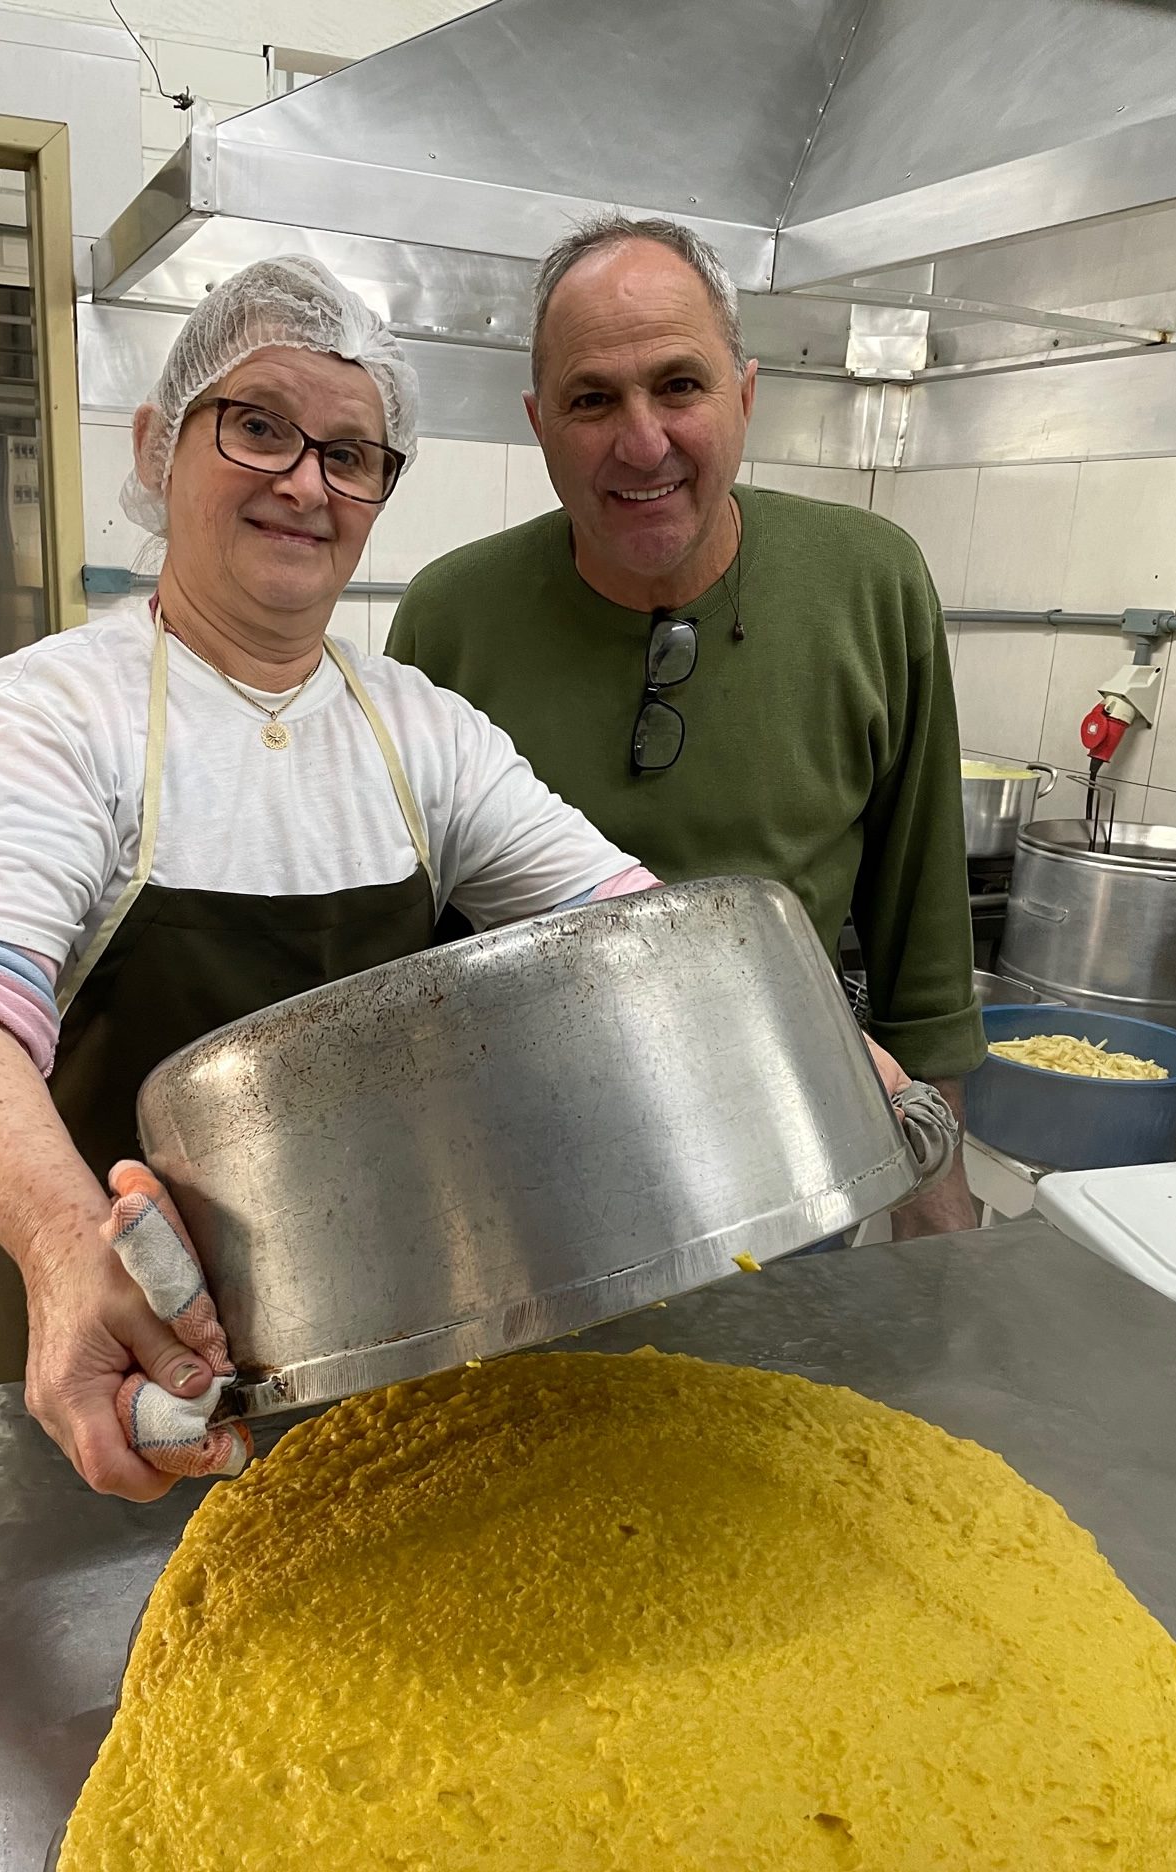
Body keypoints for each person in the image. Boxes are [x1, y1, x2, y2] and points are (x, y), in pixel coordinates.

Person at [0, 256, 661, 1503]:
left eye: (352, 455)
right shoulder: (56, 710)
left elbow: (631, 931)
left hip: (380, 1350)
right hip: (126, 1365)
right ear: (157, 446)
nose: (308, 483)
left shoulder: (422, 732)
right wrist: (70, 1251)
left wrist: (824, 1041)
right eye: (259, 428)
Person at [388, 216, 985, 1240]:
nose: (643, 440)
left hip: (797, 1186)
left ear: (745, 396)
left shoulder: (871, 585)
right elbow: (406, 966)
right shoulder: (451, 622)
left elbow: (921, 940)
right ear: (538, 424)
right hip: (531, 1210)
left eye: (679, 385)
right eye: (592, 399)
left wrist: (937, 1229)